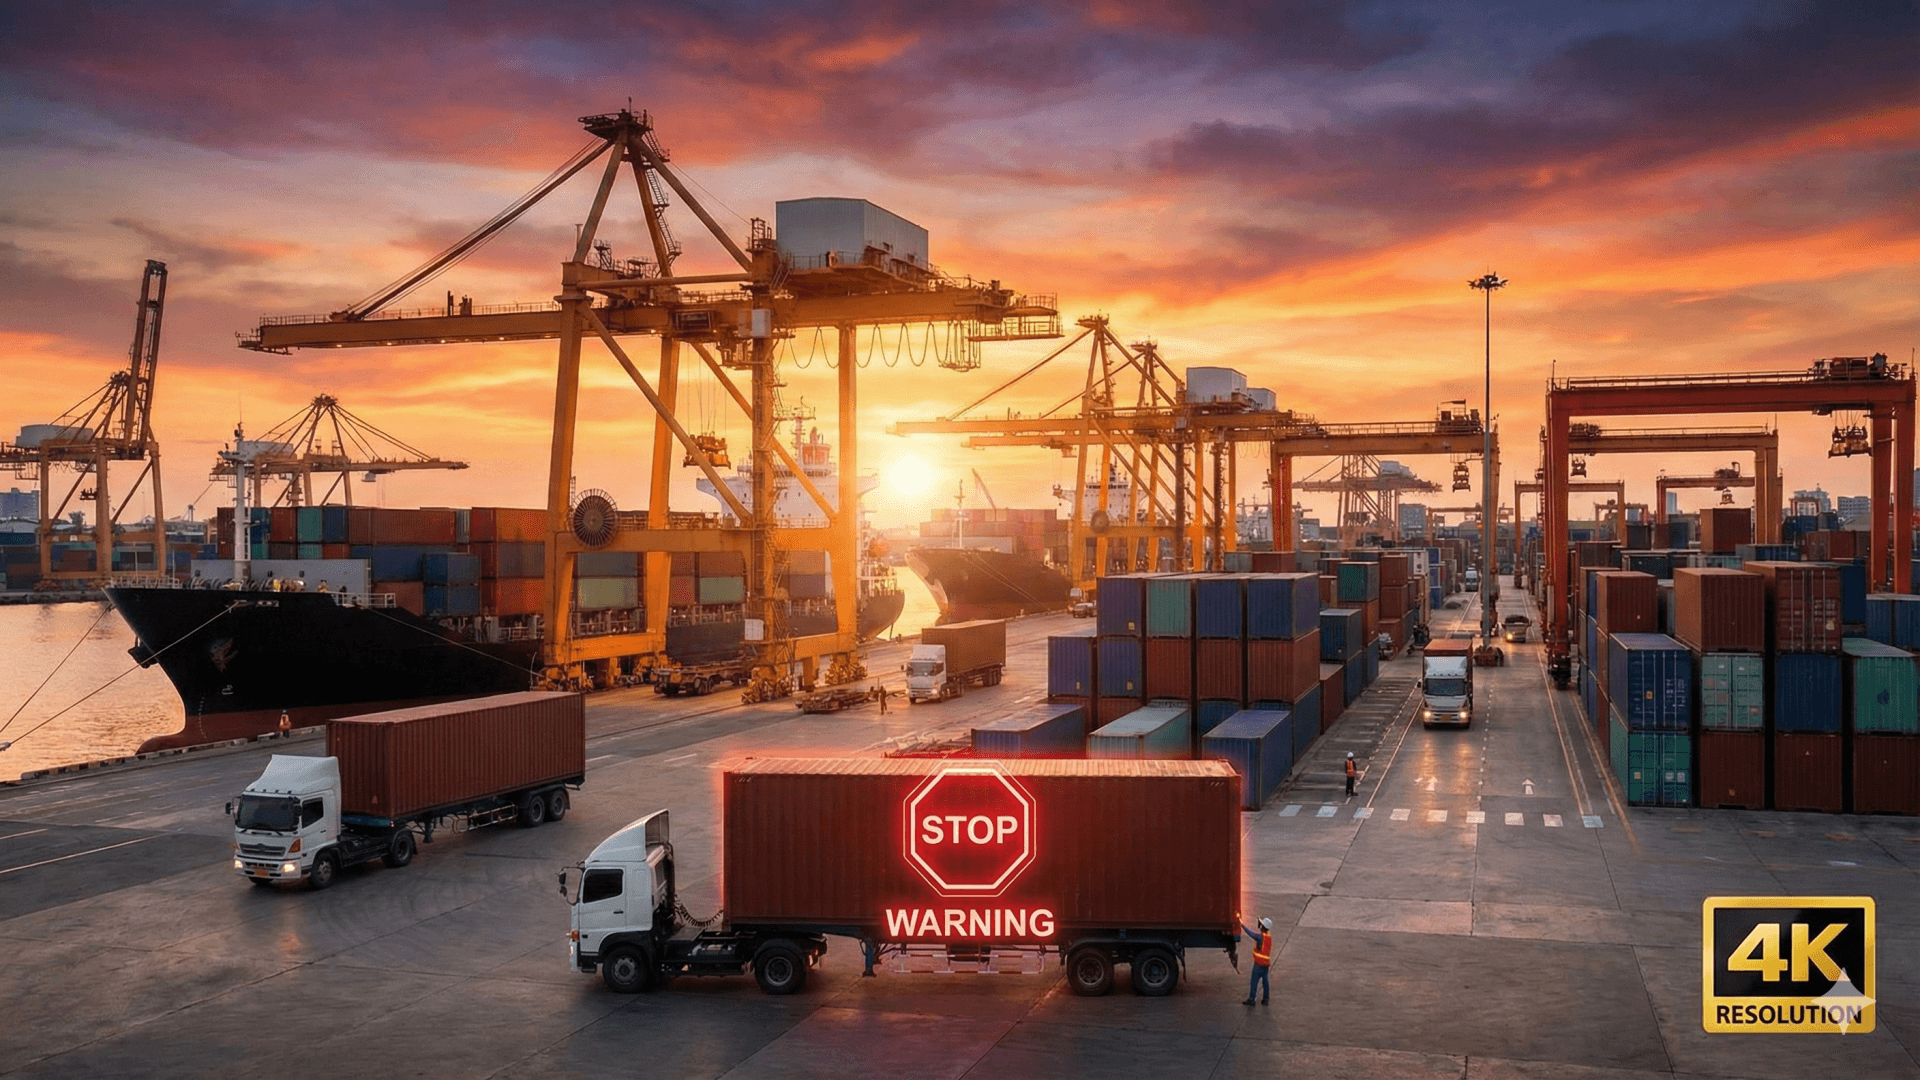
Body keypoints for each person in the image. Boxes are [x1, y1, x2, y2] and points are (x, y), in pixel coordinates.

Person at [1240, 914, 1273, 1005]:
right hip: (1266, 965)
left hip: (1258, 965)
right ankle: (1266, 999)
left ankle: (1252, 999)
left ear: (1263, 926)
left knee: (1254, 981)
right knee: (1265, 982)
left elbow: (1251, 933)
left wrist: (1242, 925)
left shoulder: (1260, 937)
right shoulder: (1268, 936)